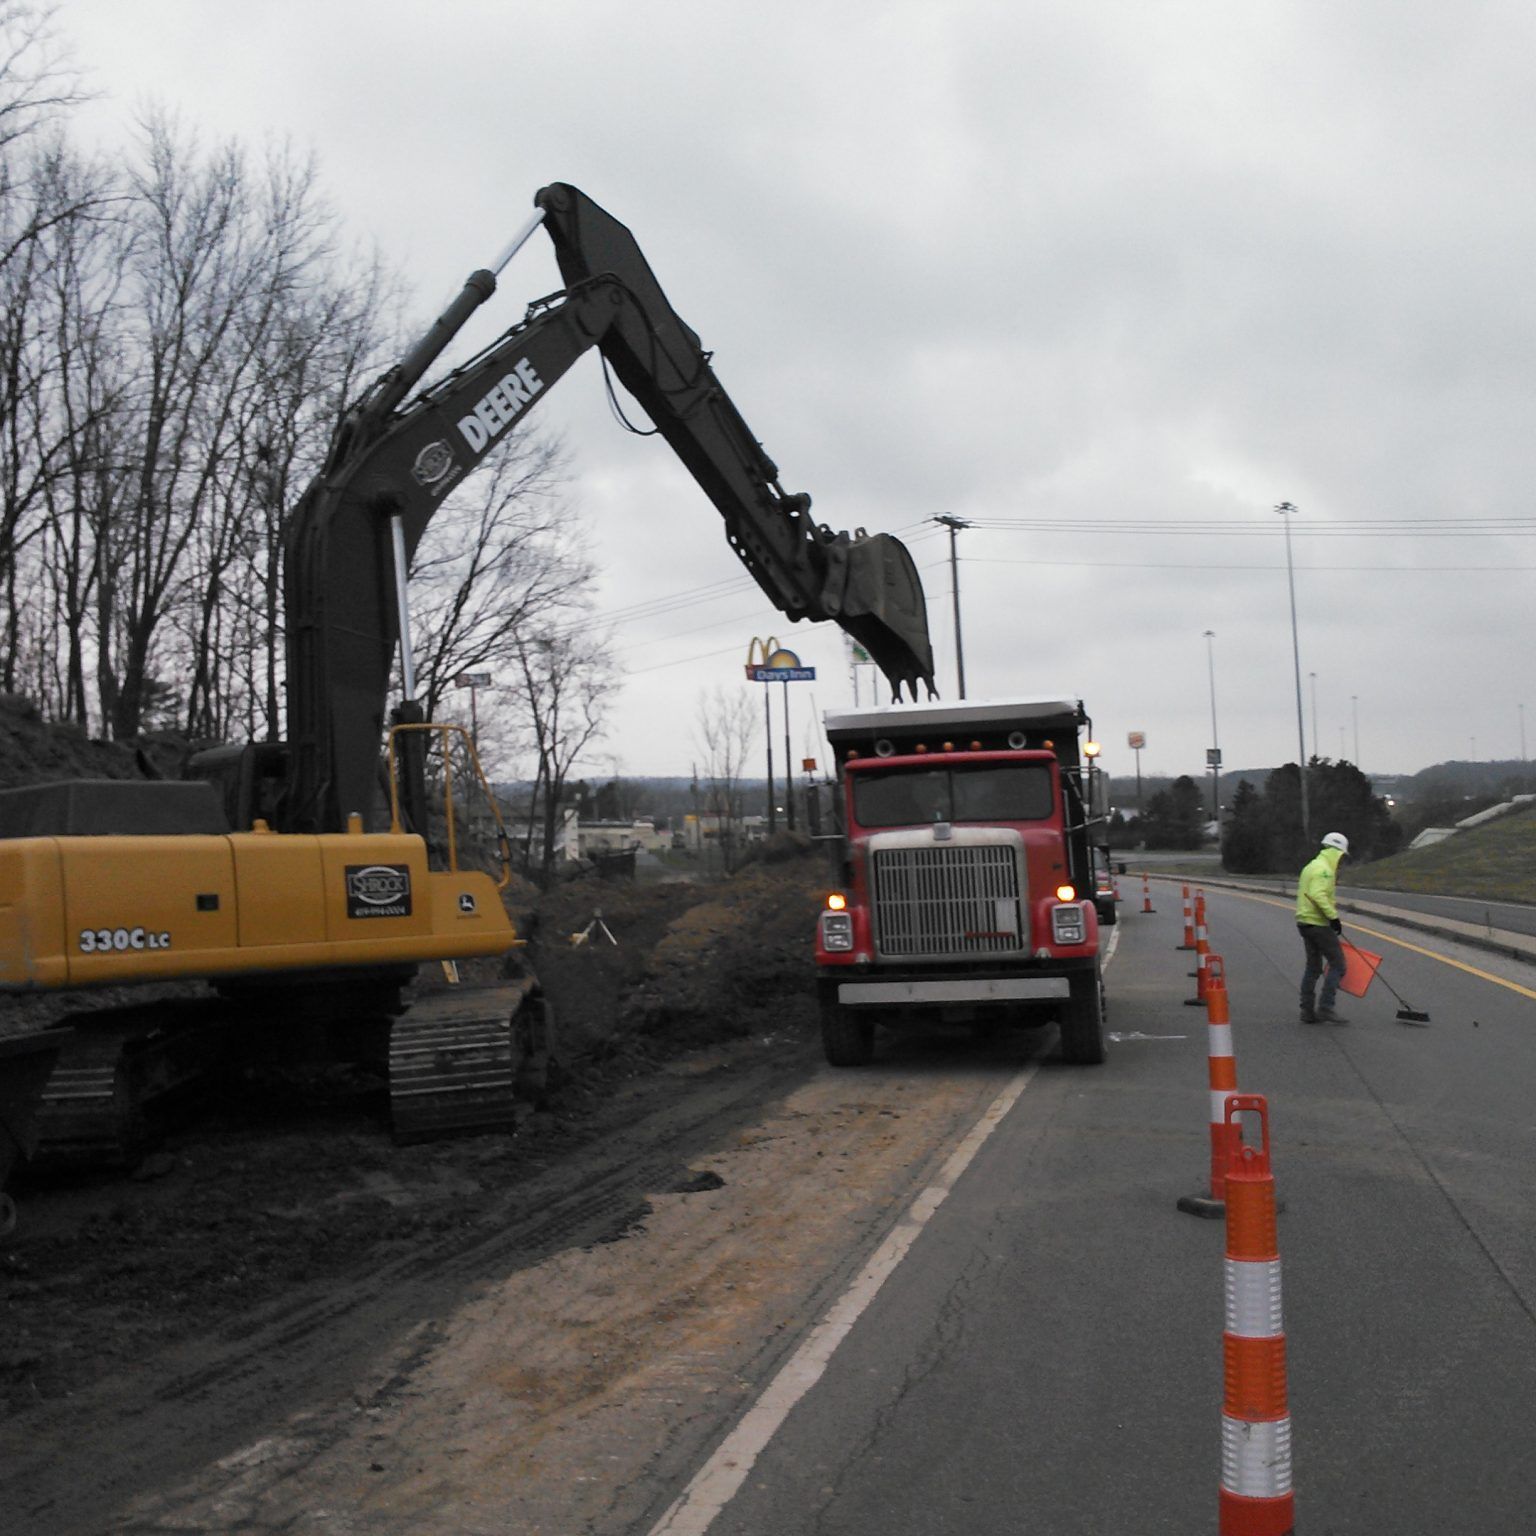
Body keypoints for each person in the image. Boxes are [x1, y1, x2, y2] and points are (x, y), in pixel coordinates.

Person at [1296, 831, 1350, 1022]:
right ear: (1337, 852)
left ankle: (1307, 1011)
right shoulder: (1325, 870)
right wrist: (1333, 917)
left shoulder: (1311, 866)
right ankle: (1326, 1007)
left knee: (1313, 967)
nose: (1342, 860)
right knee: (1338, 964)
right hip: (1318, 923)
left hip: (1304, 922)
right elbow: (1317, 894)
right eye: (1342, 855)